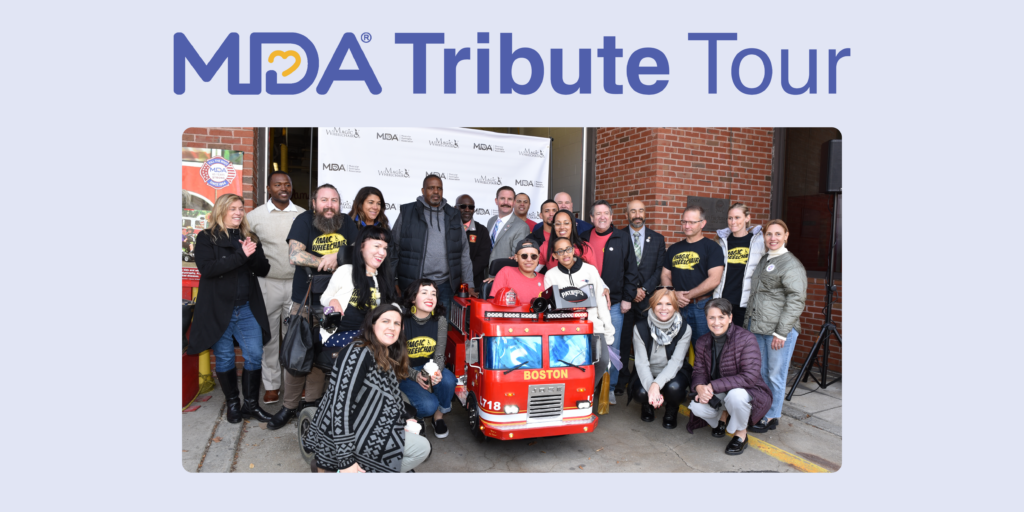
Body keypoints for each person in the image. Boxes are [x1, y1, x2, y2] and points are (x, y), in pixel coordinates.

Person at [267, 226, 397, 430]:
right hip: (340, 334)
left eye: (385, 248)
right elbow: (327, 296)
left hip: (369, 337)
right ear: (362, 246)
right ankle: (297, 408)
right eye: (377, 246)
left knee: (382, 346)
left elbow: (391, 307)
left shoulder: (383, 277)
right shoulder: (346, 271)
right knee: (369, 348)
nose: (382, 252)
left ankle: (371, 412)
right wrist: (333, 301)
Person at [303, 304, 431, 473]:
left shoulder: (383, 353)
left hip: (365, 423)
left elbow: (389, 396)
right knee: (422, 448)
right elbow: (341, 407)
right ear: (372, 324)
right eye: (385, 321)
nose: (392, 327)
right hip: (346, 434)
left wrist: (403, 421)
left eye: (396, 323)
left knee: (417, 445)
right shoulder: (358, 353)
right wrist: (346, 461)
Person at [187, 193, 274, 424]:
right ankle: (233, 404)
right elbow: (208, 269)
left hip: (247, 308)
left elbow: (263, 268)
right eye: (232, 208)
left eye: (240, 208)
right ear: (221, 211)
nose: (238, 212)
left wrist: (251, 253)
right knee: (225, 358)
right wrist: (240, 255)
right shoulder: (207, 238)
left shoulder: (249, 237)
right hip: (218, 310)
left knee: (254, 354)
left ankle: (251, 405)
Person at [281, 184, 359, 419]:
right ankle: (288, 406)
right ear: (314, 203)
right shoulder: (303, 220)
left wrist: (338, 256)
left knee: (320, 351)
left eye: (334, 200)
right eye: (324, 200)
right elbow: (295, 255)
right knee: (298, 354)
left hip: (334, 303)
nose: (329, 205)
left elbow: (357, 251)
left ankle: (311, 404)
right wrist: (324, 261)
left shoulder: (346, 222)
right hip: (304, 300)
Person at [245, 170, 304, 404]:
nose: (283, 188)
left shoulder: (302, 215)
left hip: (296, 283)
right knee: (268, 336)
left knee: (294, 337)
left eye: (287, 184)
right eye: (278, 184)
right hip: (266, 284)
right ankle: (271, 385)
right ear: (268, 189)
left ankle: (293, 384)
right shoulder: (254, 217)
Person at [687, 299, 772, 456]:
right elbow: (698, 371)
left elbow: (749, 377)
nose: (716, 322)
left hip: (749, 390)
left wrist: (712, 386)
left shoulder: (746, 339)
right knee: (696, 406)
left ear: (730, 318)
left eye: (721, 317)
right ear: (706, 318)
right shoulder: (702, 341)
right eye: (711, 317)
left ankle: (741, 434)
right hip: (721, 389)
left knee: (735, 396)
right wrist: (699, 387)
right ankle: (723, 417)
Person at [745, 220, 807, 434]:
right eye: (769, 234)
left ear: (786, 236)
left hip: (778, 331)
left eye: (777, 234)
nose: (772, 238)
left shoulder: (791, 264)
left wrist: (781, 332)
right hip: (758, 327)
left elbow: (796, 300)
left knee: (775, 375)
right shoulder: (765, 259)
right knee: (761, 373)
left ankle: (772, 415)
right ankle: (762, 410)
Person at [581, 200, 640, 405]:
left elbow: (632, 270)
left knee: (612, 347)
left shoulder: (622, 238)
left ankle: (610, 387)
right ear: (591, 218)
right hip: (586, 302)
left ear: (612, 217)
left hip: (613, 303)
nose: (602, 217)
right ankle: (587, 385)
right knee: (586, 345)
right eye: (598, 214)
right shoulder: (583, 238)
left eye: (606, 213)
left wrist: (627, 298)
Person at [390, 175, 476, 309]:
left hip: (445, 285)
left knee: (441, 326)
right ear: (423, 190)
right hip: (413, 284)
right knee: (411, 325)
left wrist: (469, 284)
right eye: (431, 188)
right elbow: (394, 248)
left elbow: (463, 252)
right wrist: (394, 281)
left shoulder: (453, 215)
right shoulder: (407, 213)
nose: (436, 192)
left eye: (439, 188)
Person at [544, 237, 615, 390]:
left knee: (602, 361)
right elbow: (550, 308)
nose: (565, 254)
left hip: (592, 327)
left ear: (574, 249)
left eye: (568, 249)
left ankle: (587, 391)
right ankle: (571, 394)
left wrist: (608, 331)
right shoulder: (550, 275)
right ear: (554, 255)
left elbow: (601, 303)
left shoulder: (590, 270)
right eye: (560, 251)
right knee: (569, 365)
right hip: (565, 330)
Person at [616, 200, 667, 397]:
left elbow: (659, 269)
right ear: (626, 214)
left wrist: (644, 289)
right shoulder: (618, 236)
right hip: (625, 299)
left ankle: (641, 379)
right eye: (633, 211)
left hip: (647, 300)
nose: (637, 214)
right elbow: (617, 268)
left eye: (641, 210)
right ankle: (621, 378)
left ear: (645, 213)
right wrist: (632, 290)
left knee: (646, 341)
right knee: (623, 340)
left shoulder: (658, 238)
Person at [399, 279, 457, 439]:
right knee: (427, 406)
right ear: (412, 298)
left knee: (448, 381)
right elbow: (396, 360)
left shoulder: (440, 321)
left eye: (434, 294)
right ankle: (417, 415)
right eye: (424, 292)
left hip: (429, 367)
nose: (430, 297)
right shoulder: (402, 321)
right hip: (405, 372)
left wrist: (435, 371)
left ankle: (439, 417)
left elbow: (439, 355)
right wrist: (415, 375)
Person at [629, 287, 692, 429]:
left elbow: (676, 362)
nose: (664, 308)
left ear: (675, 306)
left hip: (674, 372)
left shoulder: (684, 328)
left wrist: (656, 386)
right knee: (640, 393)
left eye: (669, 304)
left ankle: (672, 409)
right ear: (652, 305)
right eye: (659, 303)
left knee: (674, 388)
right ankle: (647, 404)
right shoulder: (640, 327)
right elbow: (641, 363)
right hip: (648, 370)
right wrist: (651, 387)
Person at [661, 205, 724, 343]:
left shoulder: (712, 248)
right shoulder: (674, 248)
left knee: (703, 349)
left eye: (692, 222)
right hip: (675, 306)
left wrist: (687, 296)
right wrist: (673, 294)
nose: (687, 226)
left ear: (703, 223)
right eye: (684, 222)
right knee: (674, 348)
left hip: (701, 307)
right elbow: (665, 275)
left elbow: (714, 279)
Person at [713, 203, 765, 328]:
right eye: (730, 218)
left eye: (737, 217)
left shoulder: (759, 242)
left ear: (747, 218)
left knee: (741, 342)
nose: (733, 222)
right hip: (723, 300)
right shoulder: (720, 241)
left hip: (745, 304)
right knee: (721, 341)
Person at [486, 186, 530, 270]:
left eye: (509, 199)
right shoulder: (491, 221)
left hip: (505, 277)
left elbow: (517, 259)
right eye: (502, 198)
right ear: (496, 201)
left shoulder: (522, 227)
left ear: (514, 202)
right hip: (486, 274)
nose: (506, 202)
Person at [456, 194, 491, 292]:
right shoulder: (447, 228)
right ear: (455, 208)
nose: (467, 209)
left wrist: (465, 277)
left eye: (471, 207)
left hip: (473, 284)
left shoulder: (482, 230)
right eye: (463, 206)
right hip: (448, 282)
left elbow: (482, 259)